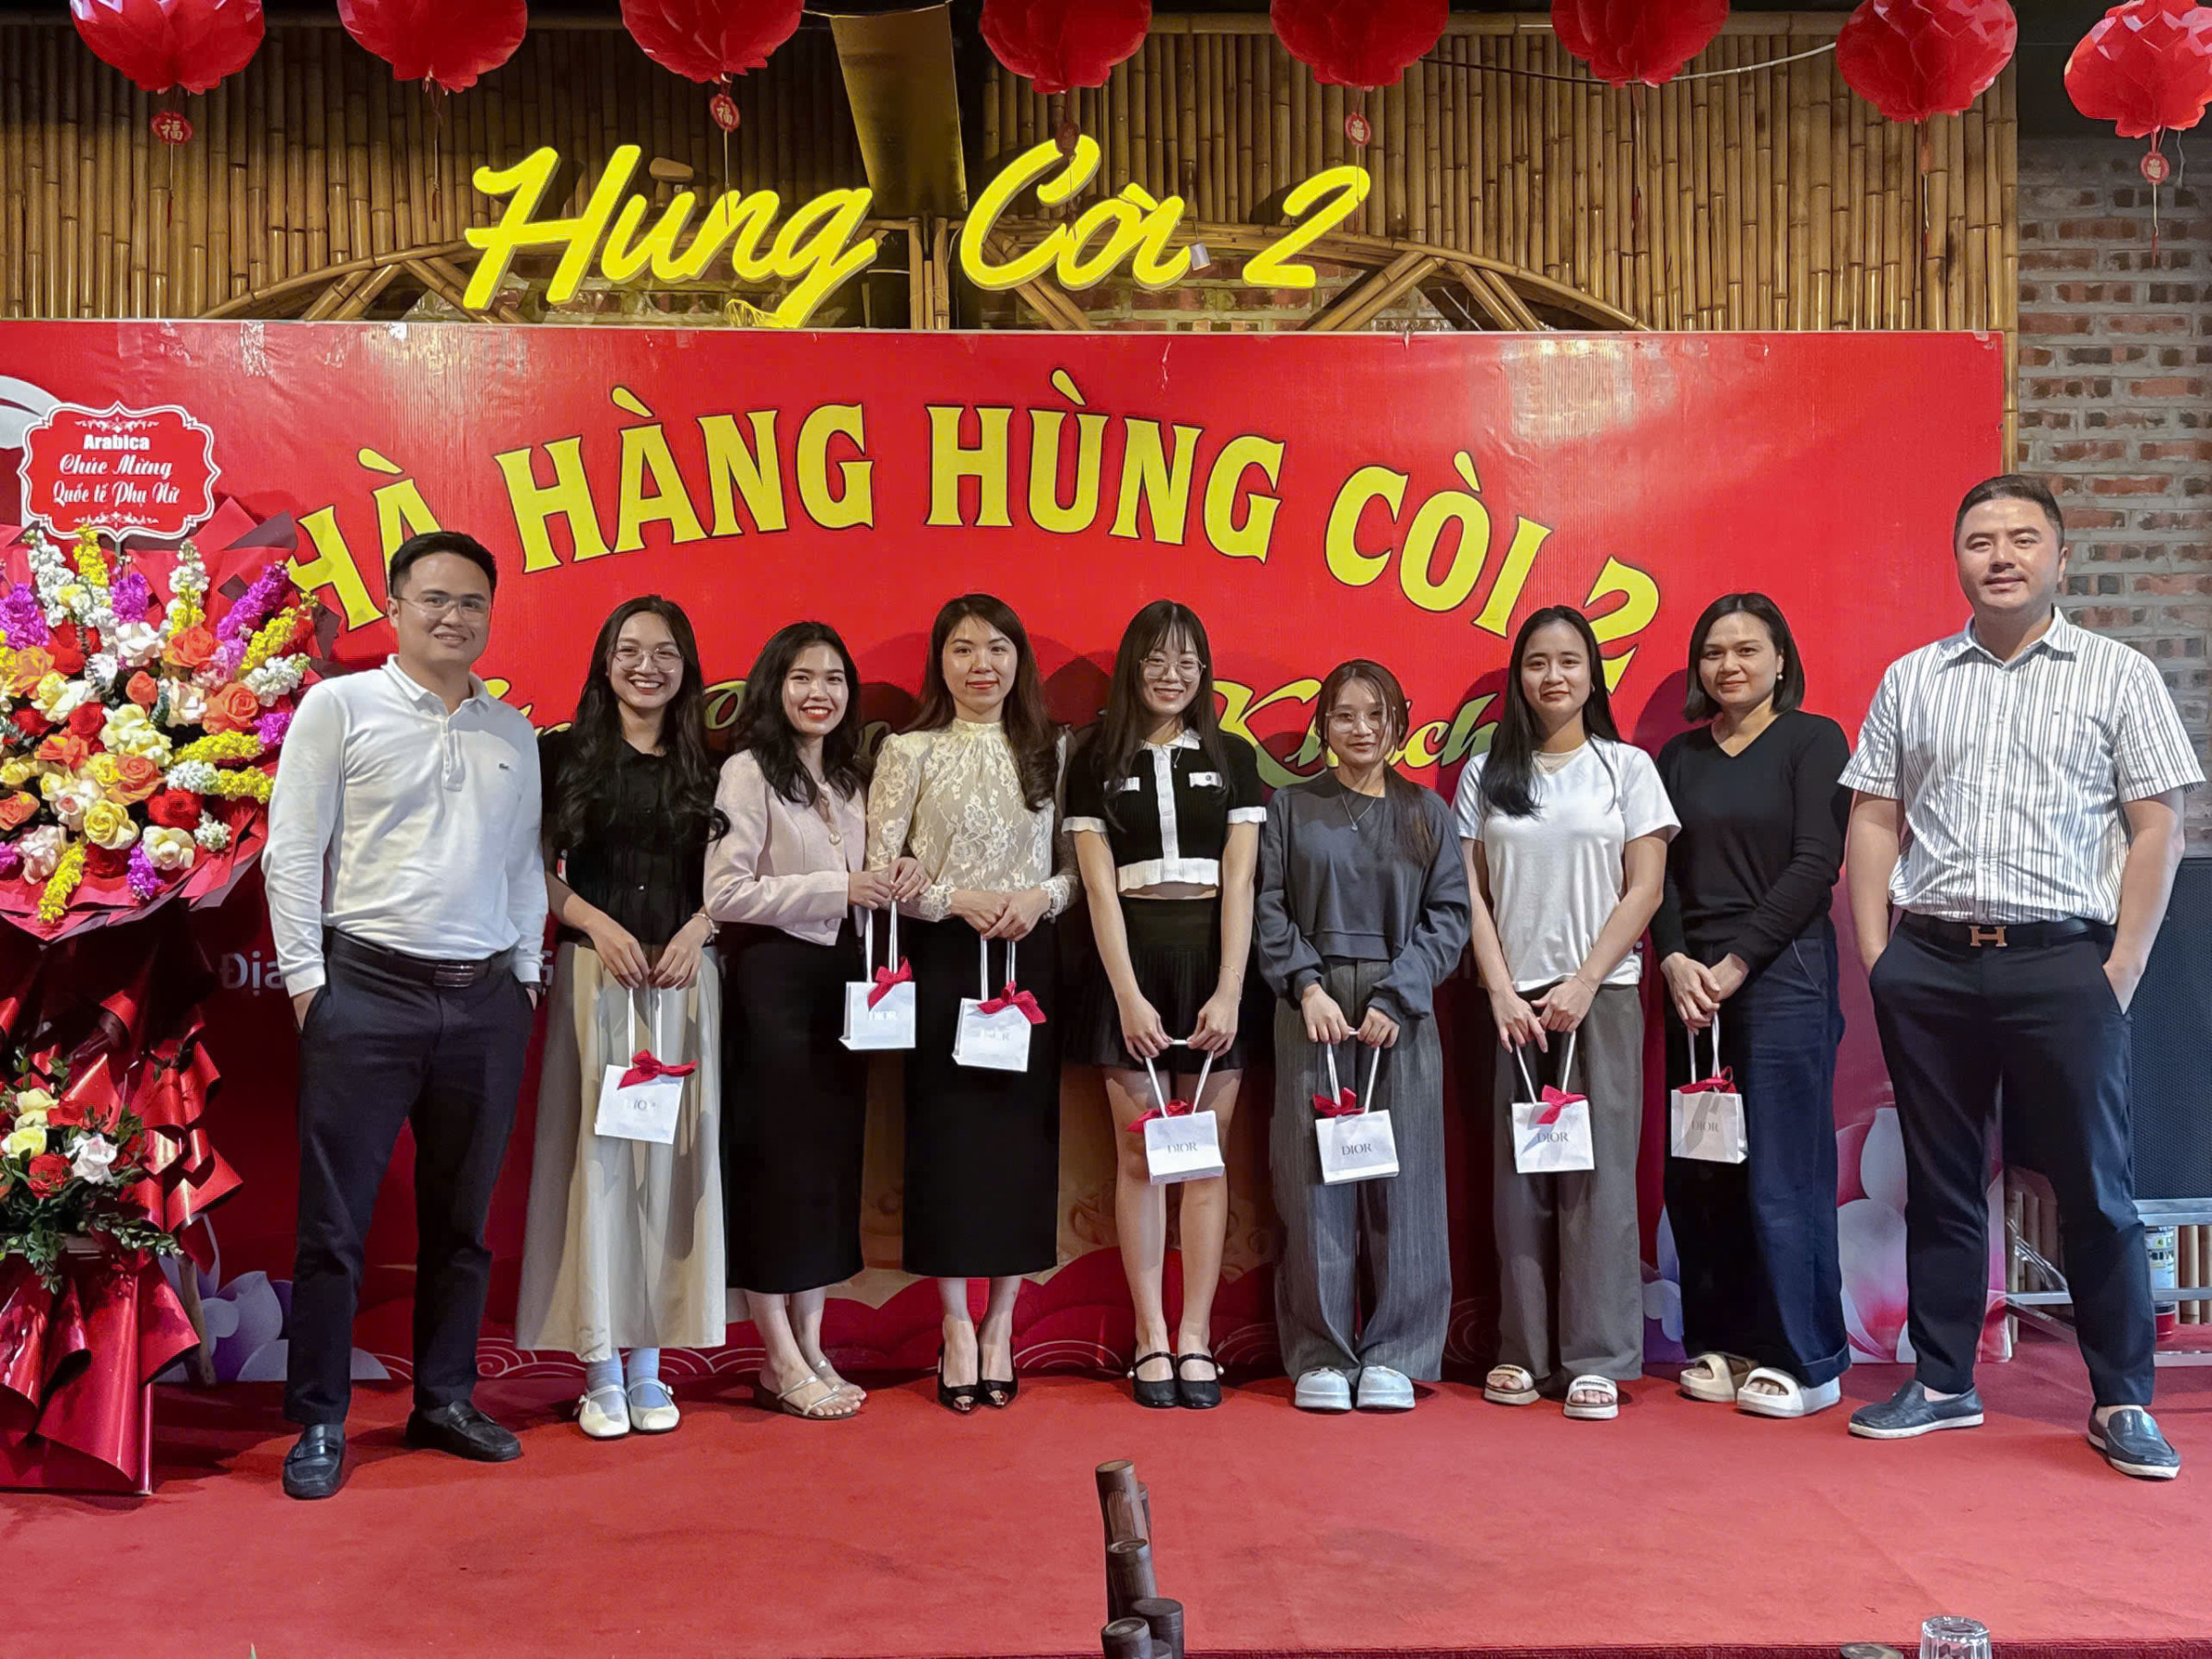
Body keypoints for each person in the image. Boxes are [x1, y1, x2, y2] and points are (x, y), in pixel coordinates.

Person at [1841, 474, 2201, 1479]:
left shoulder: (2118, 674)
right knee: (1942, 1183)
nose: (2001, 556)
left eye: (2022, 538)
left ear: (2060, 558)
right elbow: (1874, 815)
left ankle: (2123, 1399)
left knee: (2096, 1186)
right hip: (1931, 962)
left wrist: (2120, 967)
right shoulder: (1914, 678)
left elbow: (2158, 827)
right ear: (1957, 560)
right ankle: (1943, 1381)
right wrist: (1879, 957)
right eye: (1980, 541)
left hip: (2065, 963)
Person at [264, 530, 547, 1500]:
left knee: (462, 1223)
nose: (452, 617)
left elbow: (523, 865)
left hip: (485, 1001)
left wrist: (525, 973)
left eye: (471, 602)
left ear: (489, 615)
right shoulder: (339, 707)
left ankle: (445, 1399)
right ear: (394, 608)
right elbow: (293, 852)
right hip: (365, 991)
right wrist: (308, 984)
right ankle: (319, 1419)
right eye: (434, 599)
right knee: (334, 1225)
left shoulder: (511, 731)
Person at [1457, 606, 1677, 1424]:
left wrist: (1586, 980)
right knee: (1520, 1180)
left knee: (1600, 1179)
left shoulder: (1626, 768)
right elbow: (1471, 893)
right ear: (1519, 678)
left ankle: (1598, 1357)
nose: (1553, 677)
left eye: (1569, 661)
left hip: (1602, 996)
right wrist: (1500, 989)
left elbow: (1645, 888)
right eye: (1537, 663)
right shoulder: (1486, 773)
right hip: (1513, 1004)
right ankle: (1523, 1349)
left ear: (1592, 674)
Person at [514, 597, 727, 1441]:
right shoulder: (560, 755)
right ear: (605, 663)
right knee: (595, 1168)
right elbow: (529, 868)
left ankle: (650, 1365)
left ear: (687, 667)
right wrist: (594, 924)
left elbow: (739, 877)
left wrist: (700, 930)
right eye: (630, 650)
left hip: (685, 983)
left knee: (670, 1169)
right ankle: (599, 1366)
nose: (648, 666)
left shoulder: (712, 765)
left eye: (665, 652)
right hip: (592, 981)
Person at [865, 594, 1077, 1414]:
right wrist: (957, 899)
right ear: (940, 662)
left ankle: (1002, 1324)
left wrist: (1038, 900)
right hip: (947, 958)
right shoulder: (908, 750)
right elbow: (884, 874)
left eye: (996, 648)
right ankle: (956, 1322)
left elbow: (1075, 867)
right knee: (947, 1141)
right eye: (962, 649)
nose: (981, 665)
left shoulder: (1053, 748)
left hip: (1029, 959)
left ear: (1019, 659)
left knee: (1022, 1146)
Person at [707, 622, 920, 1420]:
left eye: (833, 679)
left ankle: (810, 1345)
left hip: (844, 983)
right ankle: (776, 1353)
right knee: (776, 1170)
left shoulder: (852, 777)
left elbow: (866, 876)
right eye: (802, 677)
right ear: (775, 685)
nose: (818, 693)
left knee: (828, 1168)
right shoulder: (746, 771)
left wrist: (895, 875)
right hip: (774, 983)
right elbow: (725, 894)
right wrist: (839, 888)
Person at [1653, 594, 1851, 1418]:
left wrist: (1736, 963)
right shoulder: (1678, 757)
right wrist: (1674, 957)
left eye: (1746, 649)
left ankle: (1806, 1359)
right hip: (1690, 986)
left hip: (1782, 976)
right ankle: (1722, 1342)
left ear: (1780, 659)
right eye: (1713, 652)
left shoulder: (1814, 740)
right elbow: (1655, 870)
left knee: (1782, 1172)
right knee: (1703, 1169)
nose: (1728, 665)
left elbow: (1816, 864)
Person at [1255, 659, 1468, 1415]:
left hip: (1397, 1008)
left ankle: (1398, 1352)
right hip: (1310, 1004)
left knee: (1407, 1183)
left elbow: (1450, 915)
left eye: (1376, 715)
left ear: (1398, 724)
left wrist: (1402, 993)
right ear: (1323, 725)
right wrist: (1305, 985)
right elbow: (1268, 906)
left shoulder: (1426, 812)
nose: (1361, 729)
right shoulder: (1289, 808)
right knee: (1311, 1180)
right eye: (1344, 715)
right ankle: (1320, 1352)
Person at [1067, 602, 1265, 1410]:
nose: (1171, 675)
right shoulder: (1092, 757)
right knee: (1141, 1159)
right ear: (1132, 667)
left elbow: (1243, 881)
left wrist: (1231, 987)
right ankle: (1150, 1335)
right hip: (1130, 962)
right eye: (1155, 659)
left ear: (1204, 671)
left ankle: (1196, 1338)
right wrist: (1127, 997)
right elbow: (1096, 887)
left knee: (1206, 1159)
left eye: (1187, 660)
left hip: (1213, 961)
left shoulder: (1234, 755)